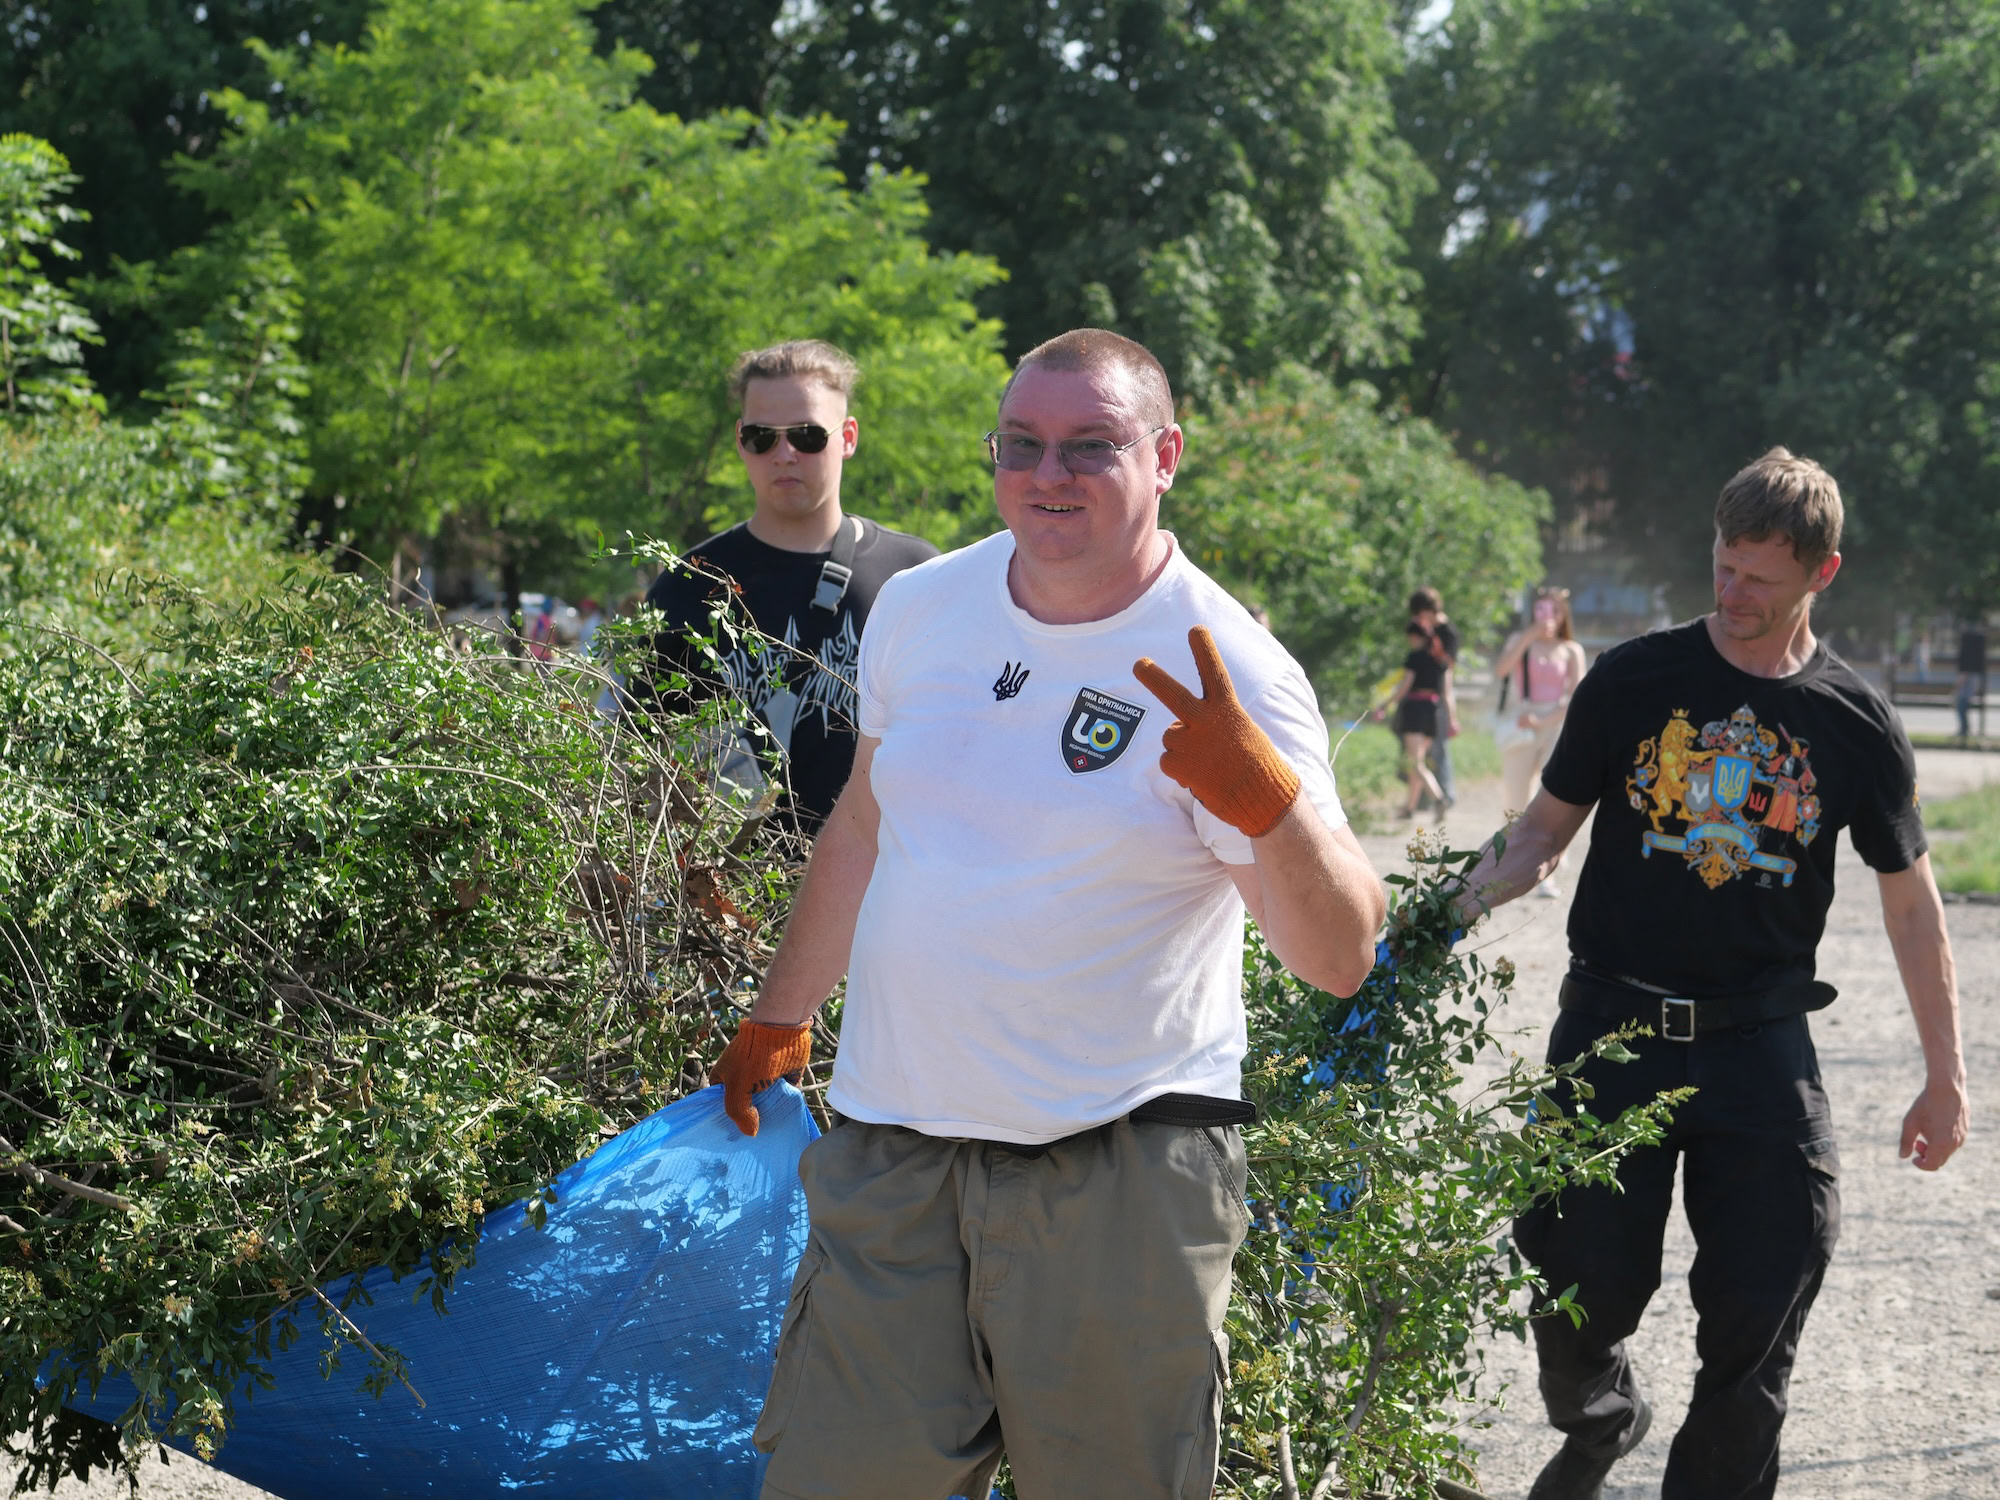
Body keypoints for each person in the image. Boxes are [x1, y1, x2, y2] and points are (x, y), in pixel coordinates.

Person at [710, 328, 1385, 1500]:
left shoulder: (1227, 666)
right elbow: (864, 824)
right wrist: (780, 1011)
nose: (1046, 474)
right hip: (895, 1150)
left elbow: (1338, 957)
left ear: (1164, 455)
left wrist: (1269, 808)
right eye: (1018, 445)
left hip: (1116, 1165)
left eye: (1089, 446)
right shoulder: (922, 608)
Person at [1451, 447, 1969, 1500]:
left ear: (1820, 575)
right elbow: (1539, 835)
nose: (1731, 597)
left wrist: (1945, 1074)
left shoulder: (1853, 725)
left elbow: (1910, 905)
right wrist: (1418, 923)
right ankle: (1600, 1420)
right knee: (1570, 1290)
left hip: (1757, 1046)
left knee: (1760, 1312)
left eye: (1759, 580)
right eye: (1723, 568)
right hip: (1609, 1034)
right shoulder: (1634, 678)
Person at [645, 339, 938, 832]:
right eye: (763, 436)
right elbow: (648, 761)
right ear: (741, 440)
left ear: (846, 437)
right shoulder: (687, 586)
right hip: (726, 893)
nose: (784, 454)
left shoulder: (915, 575)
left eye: (807, 435)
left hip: (884, 886)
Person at [1490, 586, 1588, 894]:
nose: (1548, 618)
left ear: (1562, 616)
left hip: (1557, 724)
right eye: (1541, 610)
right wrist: (1529, 636)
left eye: (1554, 611)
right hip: (1522, 721)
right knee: (1516, 793)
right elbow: (1501, 670)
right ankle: (1507, 861)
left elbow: (1578, 695)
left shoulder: (1571, 649)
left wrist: (1545, 720)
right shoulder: (1520, 642)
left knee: (1553, 794)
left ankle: (1547, 869)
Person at [1378, 618, 1452, 819]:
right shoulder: (1441, 658)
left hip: (1416, 711)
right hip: (1434, 712)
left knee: (1416, 763)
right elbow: (1446, 692)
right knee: (1417, 763)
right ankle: (1409, 808)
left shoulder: (1415, 657)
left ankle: (1439, 799)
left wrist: (1384, 705)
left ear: (1415, 637)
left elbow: (1404, 687)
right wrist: (1452, 718)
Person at [1410, 586, 1460, 807]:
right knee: (1420, 753)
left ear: (1428, 610)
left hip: (1439, 697)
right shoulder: (1428, 631)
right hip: (1423, 698)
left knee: (1439, 749)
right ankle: (1424, 800)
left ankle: (1446, 796)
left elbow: (1447, 669)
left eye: (1420, 614)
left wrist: (1451, 712)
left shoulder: (1447, 633)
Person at [1956, 621, 1987, 740]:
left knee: (1961, 706)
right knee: (1962, 706)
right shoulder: (1975, 659)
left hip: (1967, 688)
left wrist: (1957, 686)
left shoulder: (1967, 656)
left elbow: (1964, 675)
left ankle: (1964, 729)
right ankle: (1965, 728)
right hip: (1971, 686)